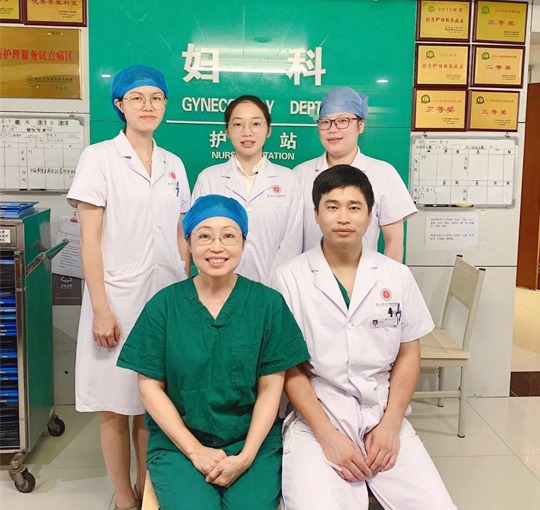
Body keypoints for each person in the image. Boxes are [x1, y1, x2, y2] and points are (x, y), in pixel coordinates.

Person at [272, 165, 456, 510]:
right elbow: (290, 368)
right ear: (316, 214)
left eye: (354, 207)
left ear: (370, 216)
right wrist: (328, 436)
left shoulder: (396, 275)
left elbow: (408, 354)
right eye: (332, 206)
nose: (343, 217)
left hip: (383, 414)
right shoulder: (288, 278)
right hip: (317, 420)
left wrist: (391, 425)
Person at [117, 195, 310, 510]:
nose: (216, 247)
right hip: (179, 444)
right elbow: (149, 387)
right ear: (188, 243)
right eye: (204, 236)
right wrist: (195, 451)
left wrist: (245, 457)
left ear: (243, 243)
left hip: (252, 441)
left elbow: (271, 389)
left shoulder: (267, 304)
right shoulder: (164, 306)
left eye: (229, 236)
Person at [66, 65, 191, 510]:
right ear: (119, 104)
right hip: (116, 299)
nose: (148, 106)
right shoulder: (99, 158)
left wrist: (187, 283)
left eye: (156, 98)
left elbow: (181, 233)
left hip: (166, 298)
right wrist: (101, 308)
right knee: (115, 403)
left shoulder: (174, 164)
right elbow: (89, 240)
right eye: (137, 98)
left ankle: (146, 489)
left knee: (153, 401)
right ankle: (123, 496)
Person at [295, 87, 417, 262]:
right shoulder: (300, 174)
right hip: (309, 275)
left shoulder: (384, 173)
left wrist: (386, 278)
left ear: (361, 125)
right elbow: (291, 238)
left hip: (366, 275)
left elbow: (394, 241)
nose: (332, 129)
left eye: (342, 121)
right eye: (325, 122)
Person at [192, 95, 303, 285]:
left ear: (268, 130)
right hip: (218, 285)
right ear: (227, 131)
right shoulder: (208, 178)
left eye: (256, 124)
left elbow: (292, 242)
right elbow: (199, 236)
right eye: (238, 124)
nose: (247, 132)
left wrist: (275, 285)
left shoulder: (288, 179)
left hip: (274, 287)